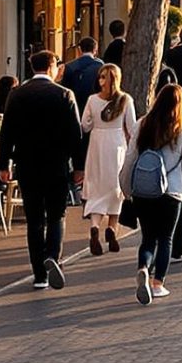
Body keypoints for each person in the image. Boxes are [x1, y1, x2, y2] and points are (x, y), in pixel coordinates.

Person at [0, 50, 88, 290]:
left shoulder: (17, 95)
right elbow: (74, 134)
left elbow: (6, 132)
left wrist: (3, 163)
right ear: (51, 67)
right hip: (57, 164)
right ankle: (53, 257)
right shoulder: (64, 95)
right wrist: (79, 166)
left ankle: (39, 274)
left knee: (34, 218)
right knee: (57, 215)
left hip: (27, 164)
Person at [122, 84, 182, 303]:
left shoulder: (142, 125)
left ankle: (143, 267)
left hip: (144, 191)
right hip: (172, 192)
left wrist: (126, 188)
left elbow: (130, 159)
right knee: (165, 238)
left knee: (148, 238)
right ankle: (158, 284)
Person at [78, 65, 136, 256]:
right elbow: (132, 128)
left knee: (96, 186)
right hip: (117, 144)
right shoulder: (125, 100)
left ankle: (95, 226)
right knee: (115, 187)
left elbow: (84, 126)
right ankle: (112, 227)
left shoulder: (92, 100)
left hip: (97, 144)